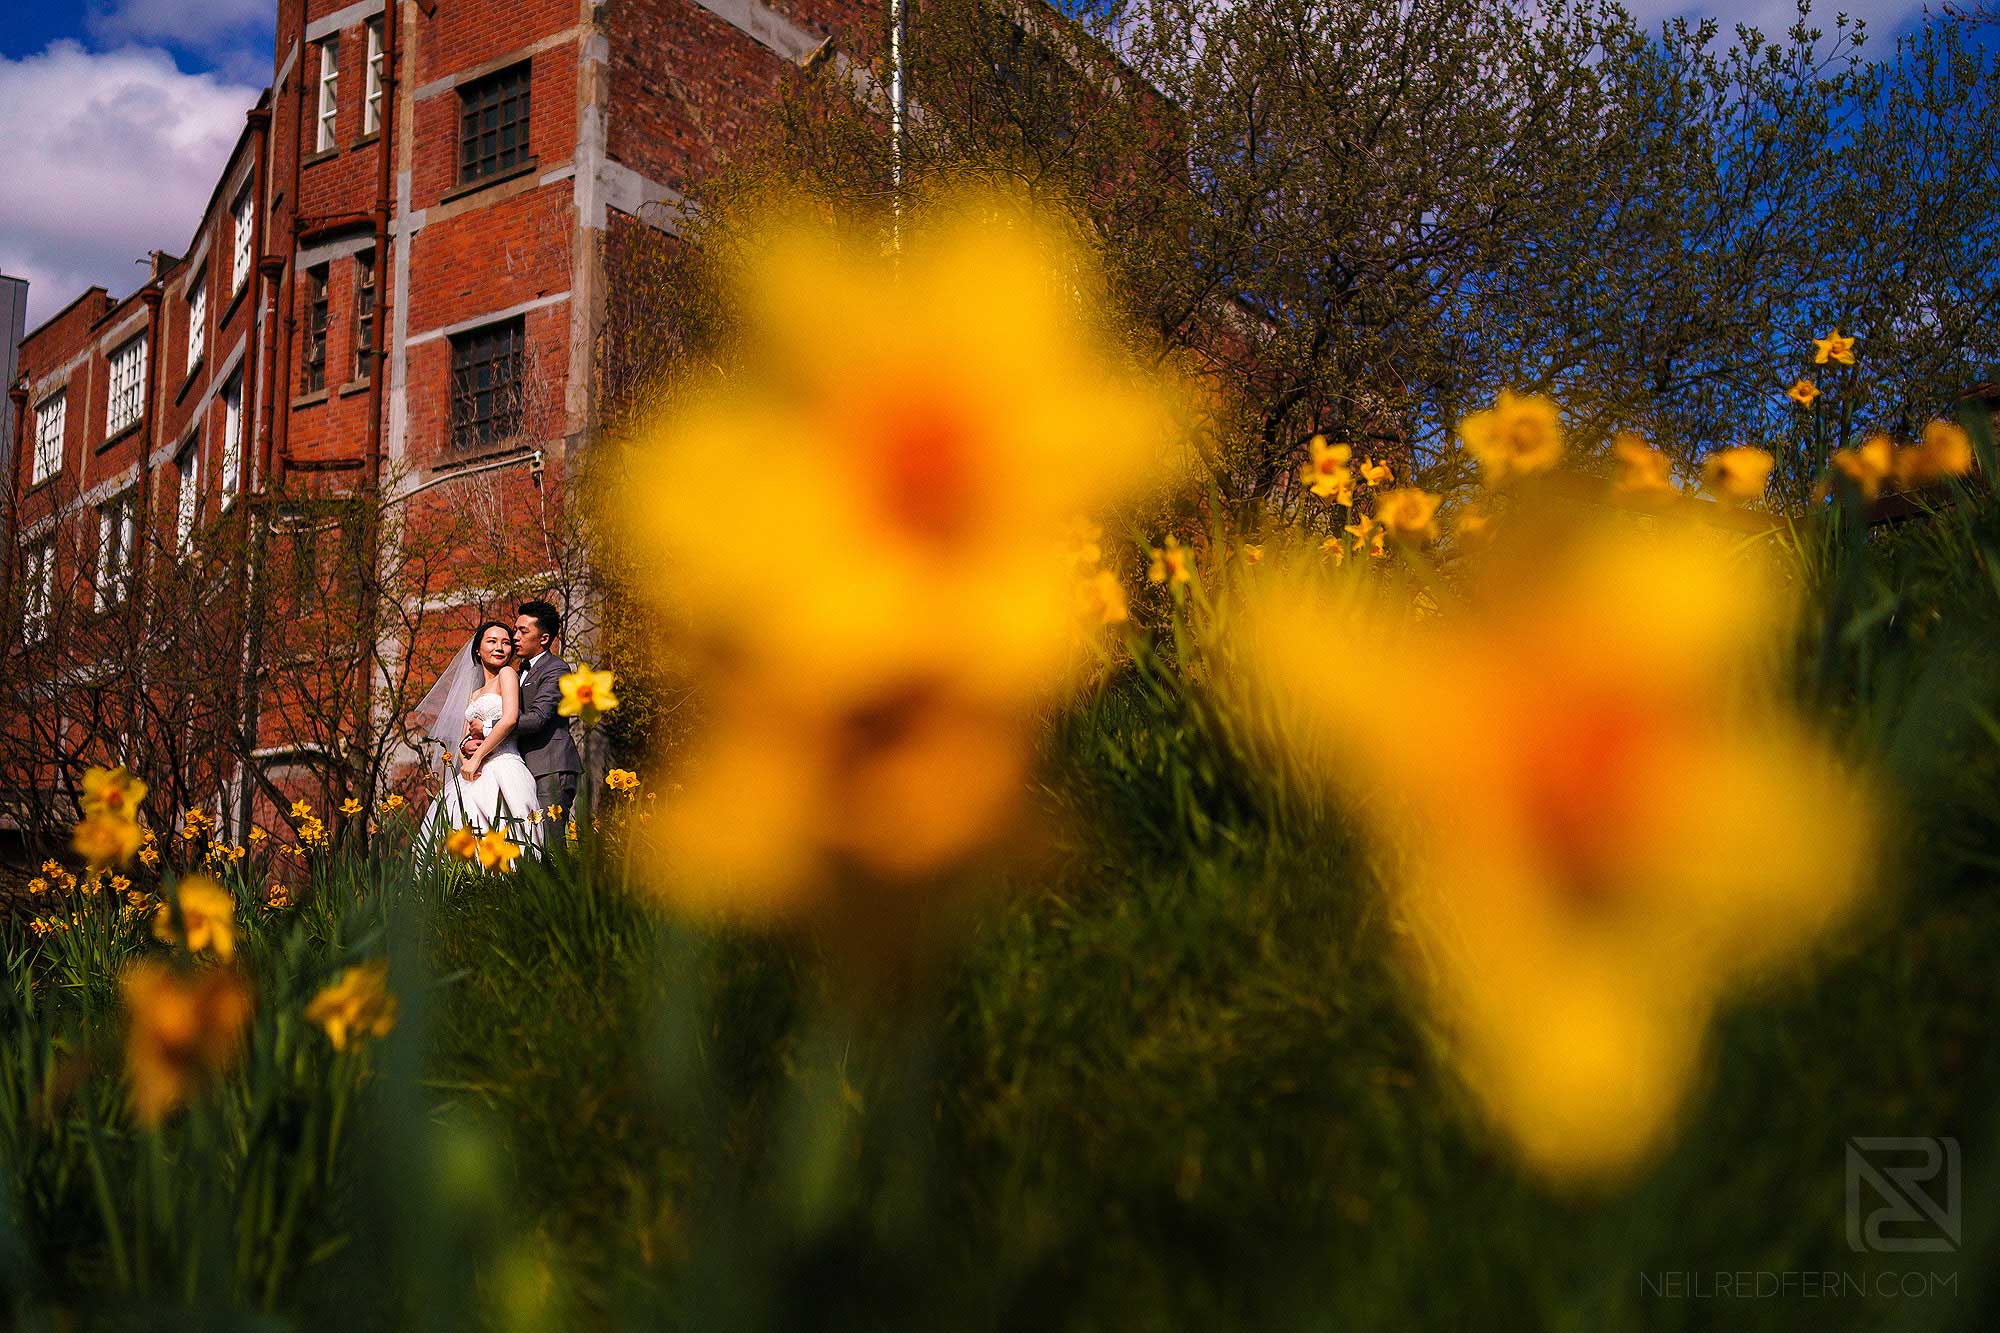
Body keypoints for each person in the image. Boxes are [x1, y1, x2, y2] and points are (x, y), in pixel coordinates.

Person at [414, 620, 542, 848]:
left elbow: (510, 719)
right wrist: (465, 753)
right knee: (459, 830)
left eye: (505, 643)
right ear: (477, 649)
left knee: (503, 833)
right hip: (473, 771)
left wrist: (478, 756)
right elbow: (464, 738)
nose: (500, 648)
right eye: (492, 641)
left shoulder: (507, 674)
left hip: (503, 765)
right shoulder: (474, 694)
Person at [464, 600, 581, 818]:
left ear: (544, 638)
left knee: (549, 841)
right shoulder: (515, 673)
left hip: (550, 767)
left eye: (522, 631)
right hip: (520, 767)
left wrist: (487, 727)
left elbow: (537, 718)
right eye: (515, 629)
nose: (515, 636)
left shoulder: (556, 669)